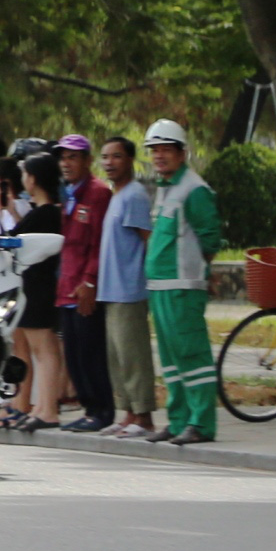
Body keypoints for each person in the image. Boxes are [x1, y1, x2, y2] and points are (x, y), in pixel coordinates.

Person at [140, 118, 223, 444]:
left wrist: (200, 271)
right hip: (161, 286)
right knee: (172, 360)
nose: (159, 156)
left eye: (165, 150)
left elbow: (210, 237)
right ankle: (177, 421)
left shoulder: (194, 189)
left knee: (192, 355)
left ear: (181, 152)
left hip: (183, 286)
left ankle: (201, 424)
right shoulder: (166, 187)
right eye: (154, 150)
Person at [97, 135, 158, 438]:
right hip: (110, 289)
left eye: (116, 156)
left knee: (133, 355)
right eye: (105, 157)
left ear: (130, 160)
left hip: (129, 289)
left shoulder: (134, 195)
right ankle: (128, 414)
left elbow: (148, 239)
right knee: (117, 356)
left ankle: (144, 416)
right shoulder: (116, 195)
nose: (109, 163)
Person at [55, 135, 116, 430]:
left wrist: (90, 282)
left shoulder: (98, 193)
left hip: (85, 287)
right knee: (74, 354)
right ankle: (89, 408)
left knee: (91, 353)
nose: (66, 163)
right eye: (63, 157)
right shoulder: (68, 193)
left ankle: (102, 411)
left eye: (73, 157)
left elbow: (98, 244)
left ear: (87, 161)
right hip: (66, 285)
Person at [8, 153, 68, 430]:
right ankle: (42, 405)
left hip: (40, 287)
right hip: (31, 286)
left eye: (25, 175)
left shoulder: (48, 214)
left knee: (44, 348)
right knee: (37, 348)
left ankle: (49, 408)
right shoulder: (39, 213)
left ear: (33, 178)